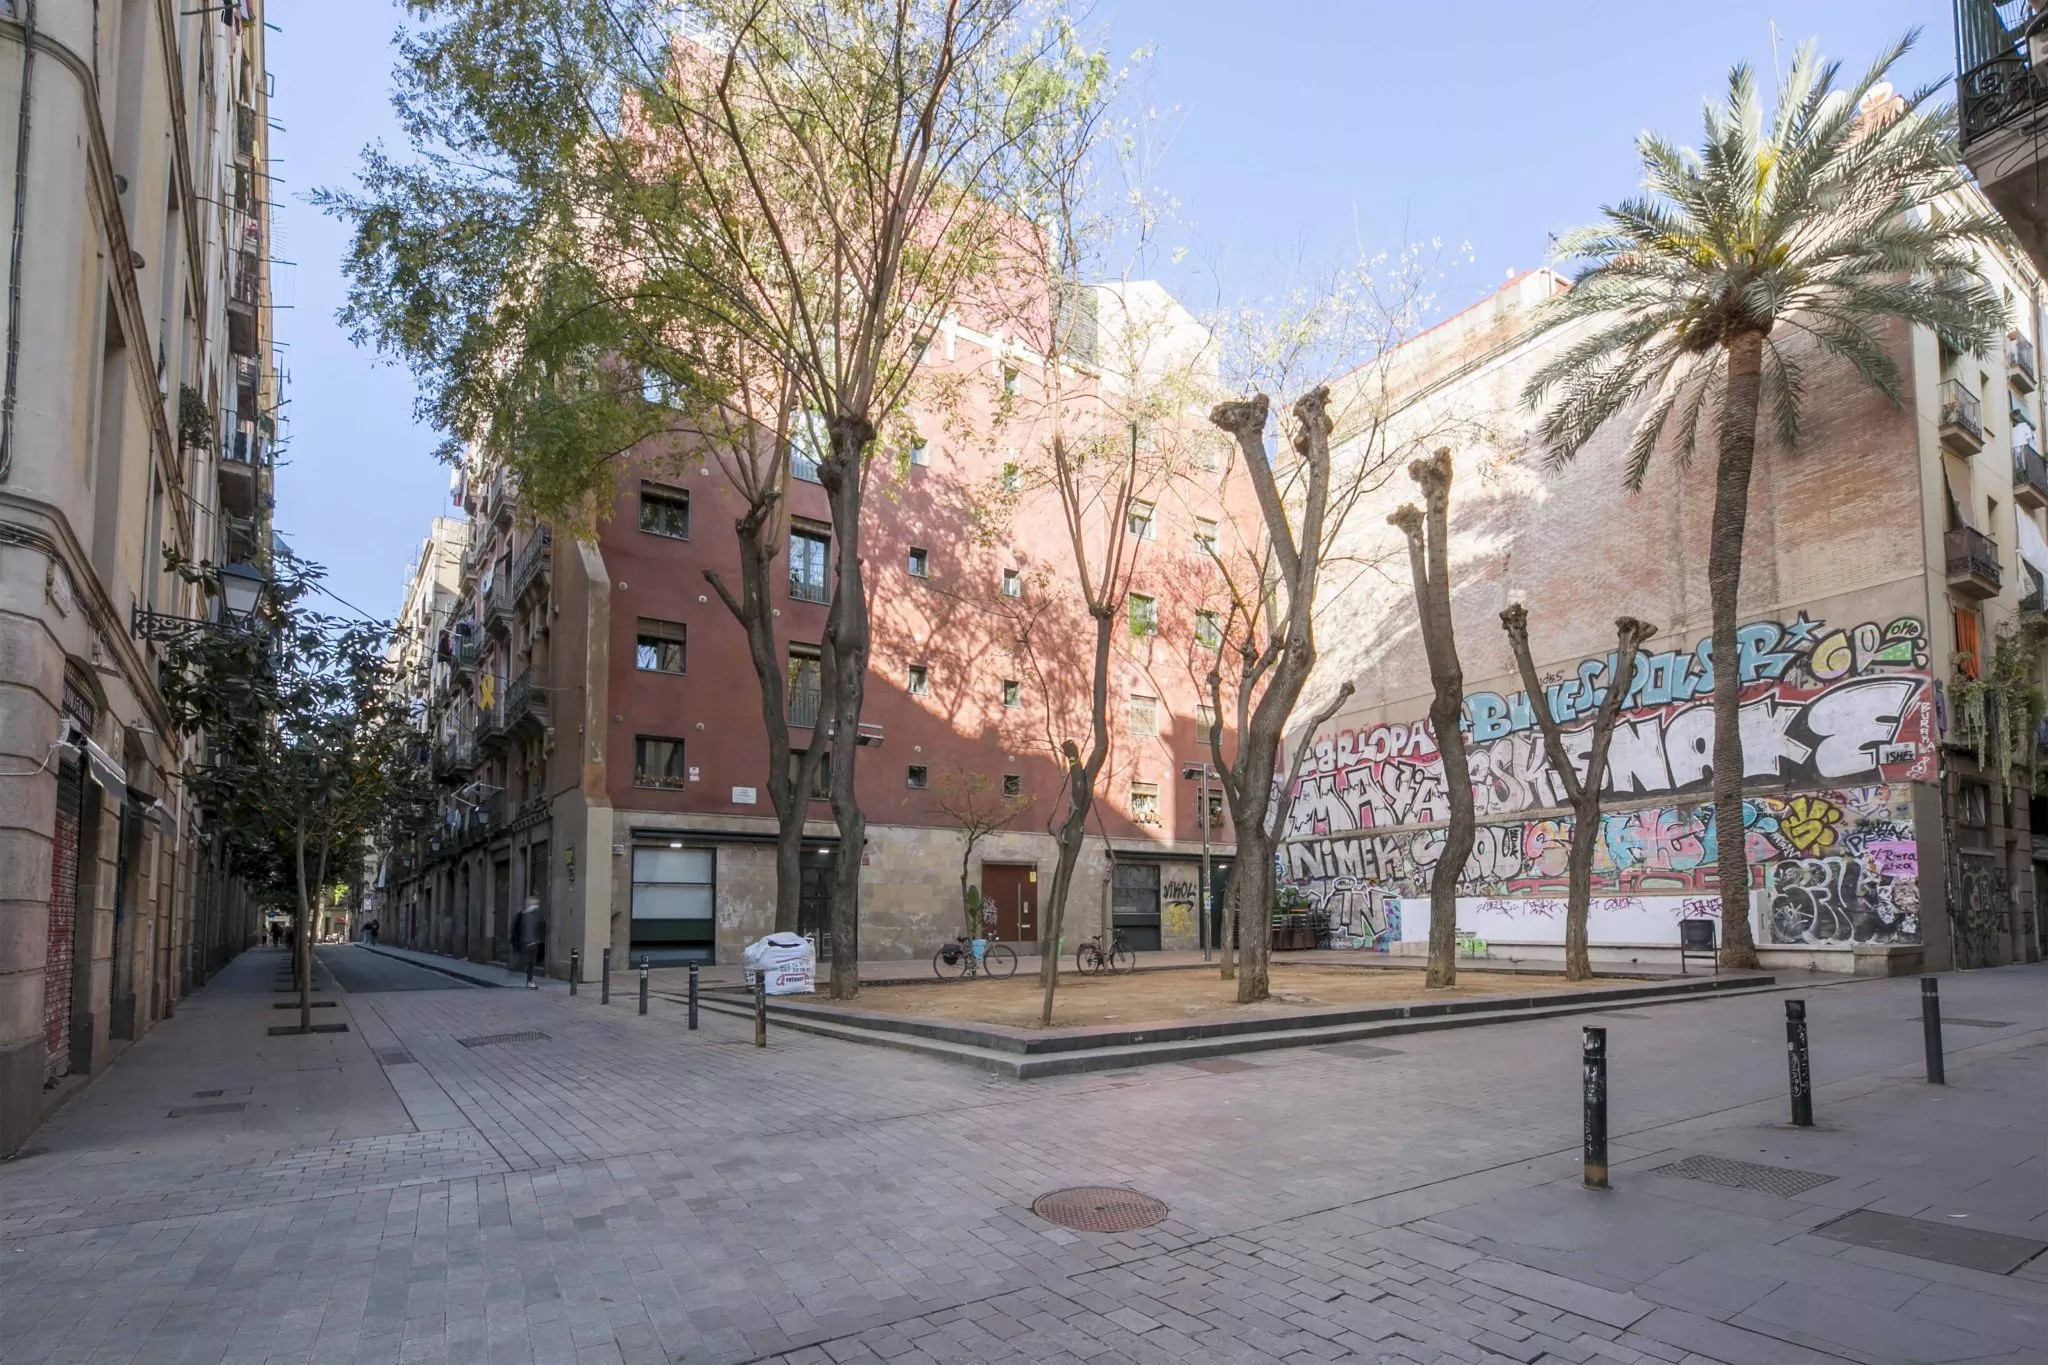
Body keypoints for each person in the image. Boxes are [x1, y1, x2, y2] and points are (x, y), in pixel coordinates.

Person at [513, 896, 543, 988]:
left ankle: (529, 981)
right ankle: (529, 980)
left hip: (533, 942)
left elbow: (541, 927)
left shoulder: (536, 915)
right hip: (526, 942)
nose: (535, 905)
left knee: (531, 962)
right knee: (528, 962)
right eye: (534, 903)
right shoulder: (522, 915)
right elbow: (516, 930)